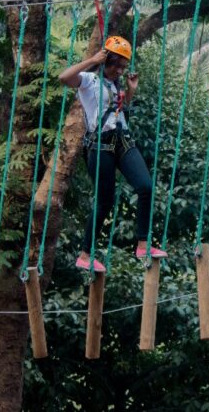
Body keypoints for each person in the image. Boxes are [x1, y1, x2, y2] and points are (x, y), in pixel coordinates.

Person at [58, 36, 167, 272]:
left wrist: (130, 92)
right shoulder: (89, 80)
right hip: (100, 146)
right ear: (104, 60)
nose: (118, 71)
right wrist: (92, 60)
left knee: (146, 187)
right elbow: (64, 78)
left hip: (122, 141)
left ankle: (142, 244)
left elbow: (118, 111)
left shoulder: (116, 83)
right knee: (105, 201)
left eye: (122, 67)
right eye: (114, 65)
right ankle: (85, 255)